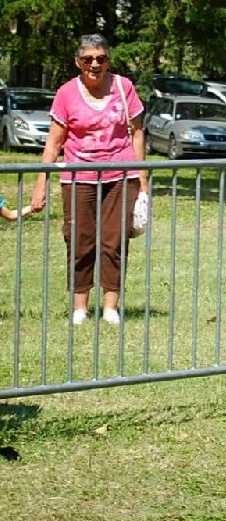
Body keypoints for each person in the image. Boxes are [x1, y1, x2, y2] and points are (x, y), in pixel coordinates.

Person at [30, 33, 148, 326]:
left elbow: (137, 132)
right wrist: (40, 185)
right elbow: (54, 144)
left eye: (101, 58)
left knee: (114, 240)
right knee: (80, 241)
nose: (95, 64)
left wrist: (142, 179)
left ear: (108, 59)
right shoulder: (66, 93)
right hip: (78, 176)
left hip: (120, 175)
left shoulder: (124, 87)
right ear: (78, 62)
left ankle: (111, 307)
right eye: (88, 59)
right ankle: (80, 307)